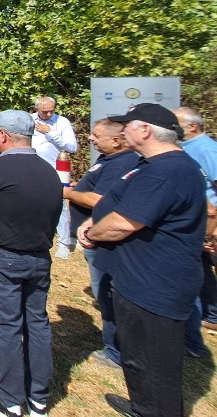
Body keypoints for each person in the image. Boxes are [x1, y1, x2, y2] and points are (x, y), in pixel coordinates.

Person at [77, 103, 205, 417]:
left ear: (145, 129)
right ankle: (143, 406)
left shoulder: (168, 171)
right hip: (137, 280)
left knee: (155, 361)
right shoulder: (151, 164)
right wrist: (92, 221)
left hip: (155, 283)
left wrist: (94, 233)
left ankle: (156, 410)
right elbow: (117, 204)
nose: (122, 130)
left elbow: (124, 222)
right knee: (137, 354)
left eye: (128, 124)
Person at [0, 109, 62, 417]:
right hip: (39, 258)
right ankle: (38, 397)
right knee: (37, 323)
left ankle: (8, 398)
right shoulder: (49, 170)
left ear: (4, 136)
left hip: (3, 257)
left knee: (7, 326)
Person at [63, 119, 140, 369]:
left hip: (103, 238)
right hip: (96, 236)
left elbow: (99, 199)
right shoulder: (110, 160)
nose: (91, 139)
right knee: (104, 292)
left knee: (107, 292)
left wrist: (67, 192)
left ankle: (116, 351)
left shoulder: (125, 162)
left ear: (116, 140)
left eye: (96, 135)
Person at [173, 107, 217, 337]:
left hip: (210, 223)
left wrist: (214, 226)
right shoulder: (184, 147)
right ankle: (211, 314)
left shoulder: (206, 148)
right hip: (196, 220)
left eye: (176, 122)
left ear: (192, 126)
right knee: (200, 268)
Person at [31, 96, 77, 259]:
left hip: (57, 169)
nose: (49, 114)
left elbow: (72, 147)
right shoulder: (30, 120)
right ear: (37, 109)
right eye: (45, 111)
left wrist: (50, 133)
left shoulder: (62, 122)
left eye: (52, 110)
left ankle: (64, 242)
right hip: (33, 167)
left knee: (60, 204)